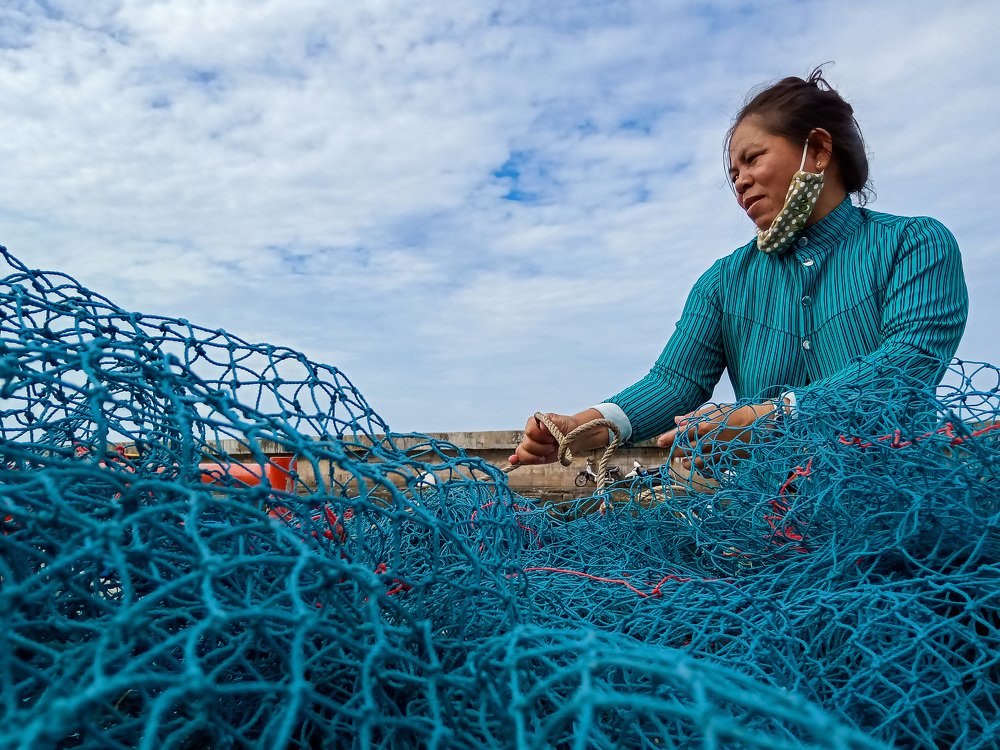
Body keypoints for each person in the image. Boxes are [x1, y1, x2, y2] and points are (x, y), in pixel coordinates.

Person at [510, 67, 968, 469]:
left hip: (895, 503)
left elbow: (906, 364)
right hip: (771, 518)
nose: (741, 181)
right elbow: (674, 382)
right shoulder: (722, 282)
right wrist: (583, 425)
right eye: (733, 174)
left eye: (752, 159)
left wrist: (762, 418)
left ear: (819, 150)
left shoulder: (915, 243)